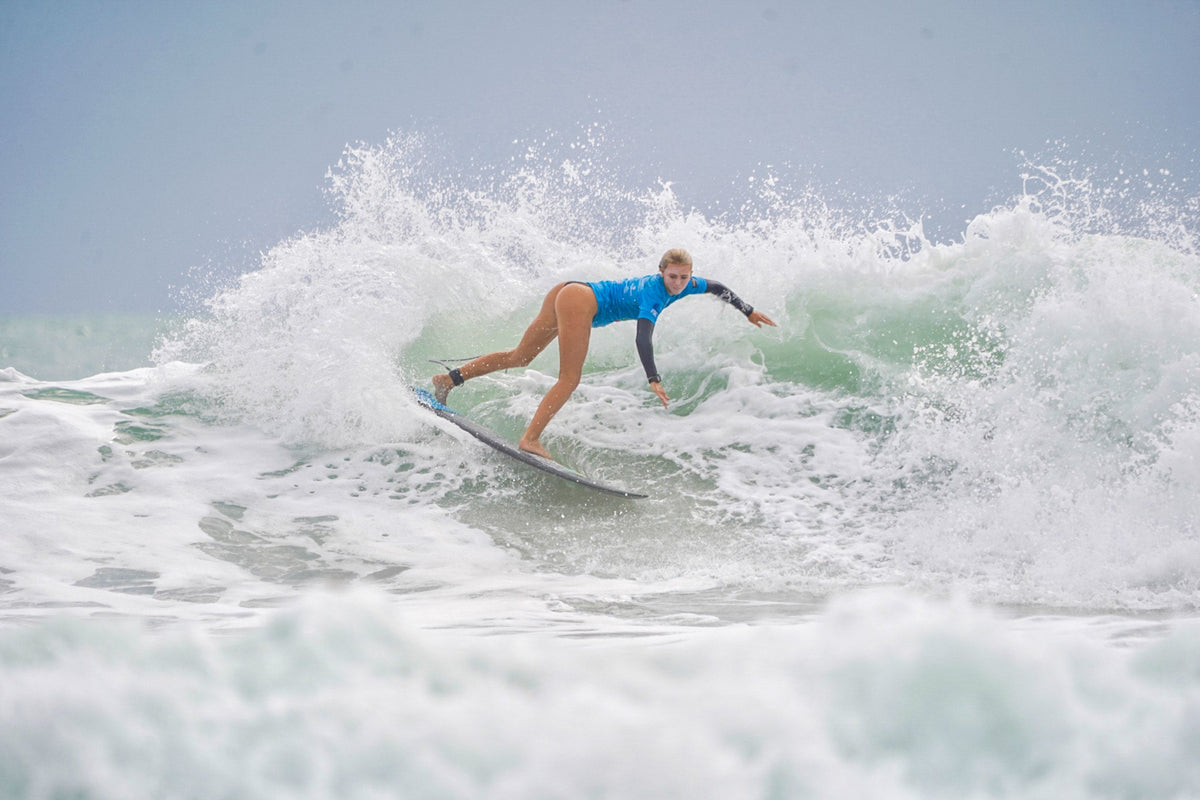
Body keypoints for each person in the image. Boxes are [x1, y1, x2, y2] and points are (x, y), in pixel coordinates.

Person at [431, 248, 777, 460]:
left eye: (684, 278)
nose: (678, 284)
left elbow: (716, 286)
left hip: (568, 291)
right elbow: (644, 337)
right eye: (672, 277)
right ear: (662, 272)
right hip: (580, 302)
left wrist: (747, 310)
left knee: (520, 356)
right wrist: (653, 379)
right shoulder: (654, 294)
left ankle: (449, 379)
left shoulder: (690, 284)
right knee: (570, 378)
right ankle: (530, 438)